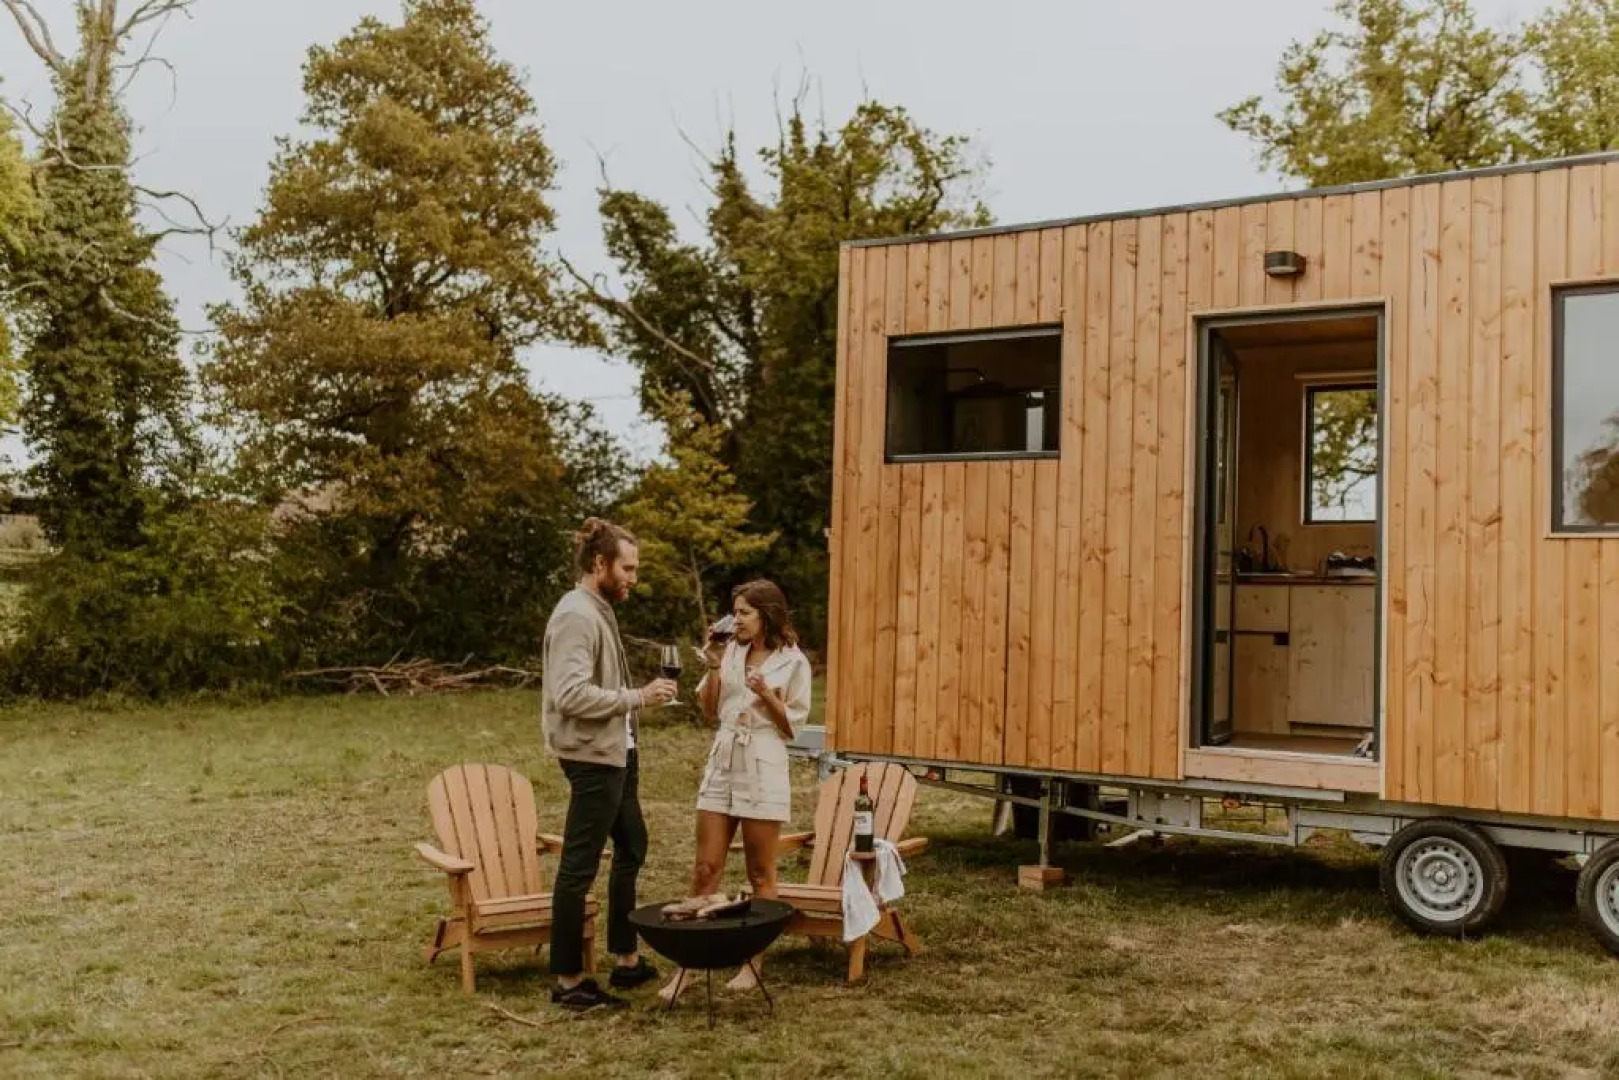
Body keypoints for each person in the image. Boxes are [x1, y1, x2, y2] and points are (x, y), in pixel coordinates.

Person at [543, 518, 678, 1011]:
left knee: (632, 844)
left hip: (617, 751)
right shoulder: (576, 615)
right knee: (578, 867)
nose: (633, 579)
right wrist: (637, 697)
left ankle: (625, 958)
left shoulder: (598, 608)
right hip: (592, 756)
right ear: (600, 564)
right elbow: (570, 694)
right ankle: (568, 981)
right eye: (628, 569)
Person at [659, 579, 813, 1002]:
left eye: (745, 612)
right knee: (705, 868)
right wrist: (712, 666)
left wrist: (766, 695)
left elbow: (793, 729)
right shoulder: (729, 652)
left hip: (763, 762)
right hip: (723, 760)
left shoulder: (793, 662)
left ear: (767, 615)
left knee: (760, 873)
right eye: (736, 612)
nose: (736, 620)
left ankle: (752, 964)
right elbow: (710, 711)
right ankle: (687, 968)